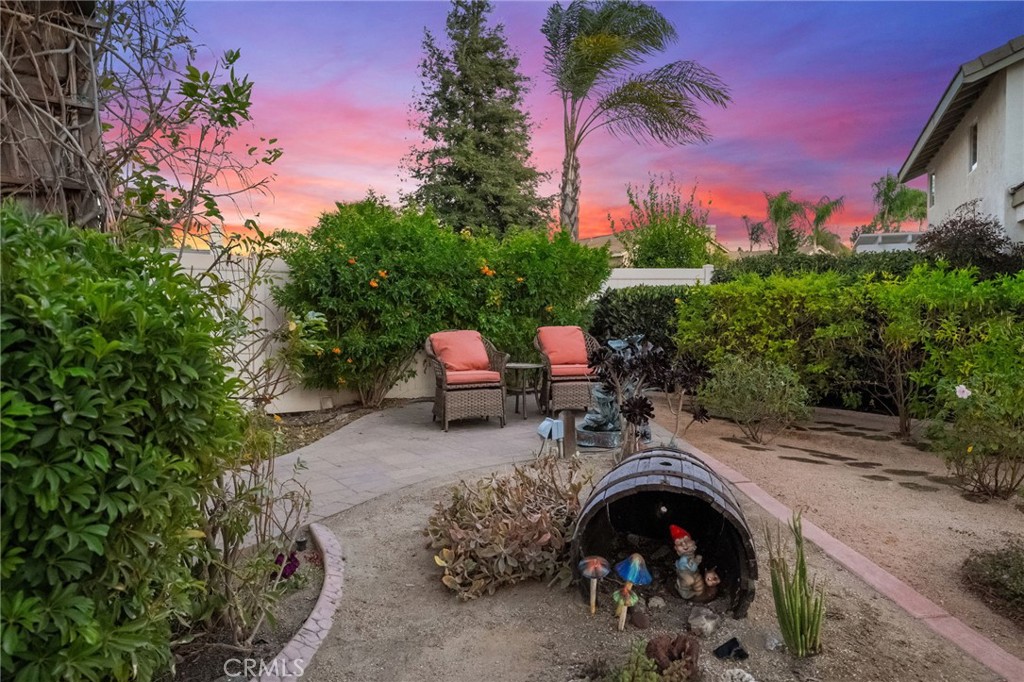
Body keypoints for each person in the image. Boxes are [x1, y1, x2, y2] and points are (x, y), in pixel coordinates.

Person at [670, 524, 702, 599]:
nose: (684, 544)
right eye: (679, 543)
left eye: (686, 540)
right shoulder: (684, 560)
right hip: (684, 573)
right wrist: (697, 561)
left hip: (692, 573)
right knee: (689, 581)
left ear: (693, 543)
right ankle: (683, 590)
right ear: (676, 548)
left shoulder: (690, 556)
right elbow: (692, 568)